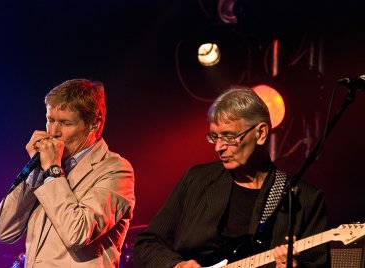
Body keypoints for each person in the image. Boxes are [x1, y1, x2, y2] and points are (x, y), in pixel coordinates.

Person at [133, 87, 329, 268]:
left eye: (228, 136)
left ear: (261, 133)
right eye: (214, 137)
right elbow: (147, 245)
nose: (218, 147)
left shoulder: (305, 199)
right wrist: (176, 265)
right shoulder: (197, 180)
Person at [0, 79, 135, 267]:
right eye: (50, 120)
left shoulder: (116, 170)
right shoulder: (49, 168)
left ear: (94, 124)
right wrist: (36, 174)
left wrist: (52, 170)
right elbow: (2, 230)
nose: (54, 132)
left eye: (65, 123)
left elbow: (78, 234)